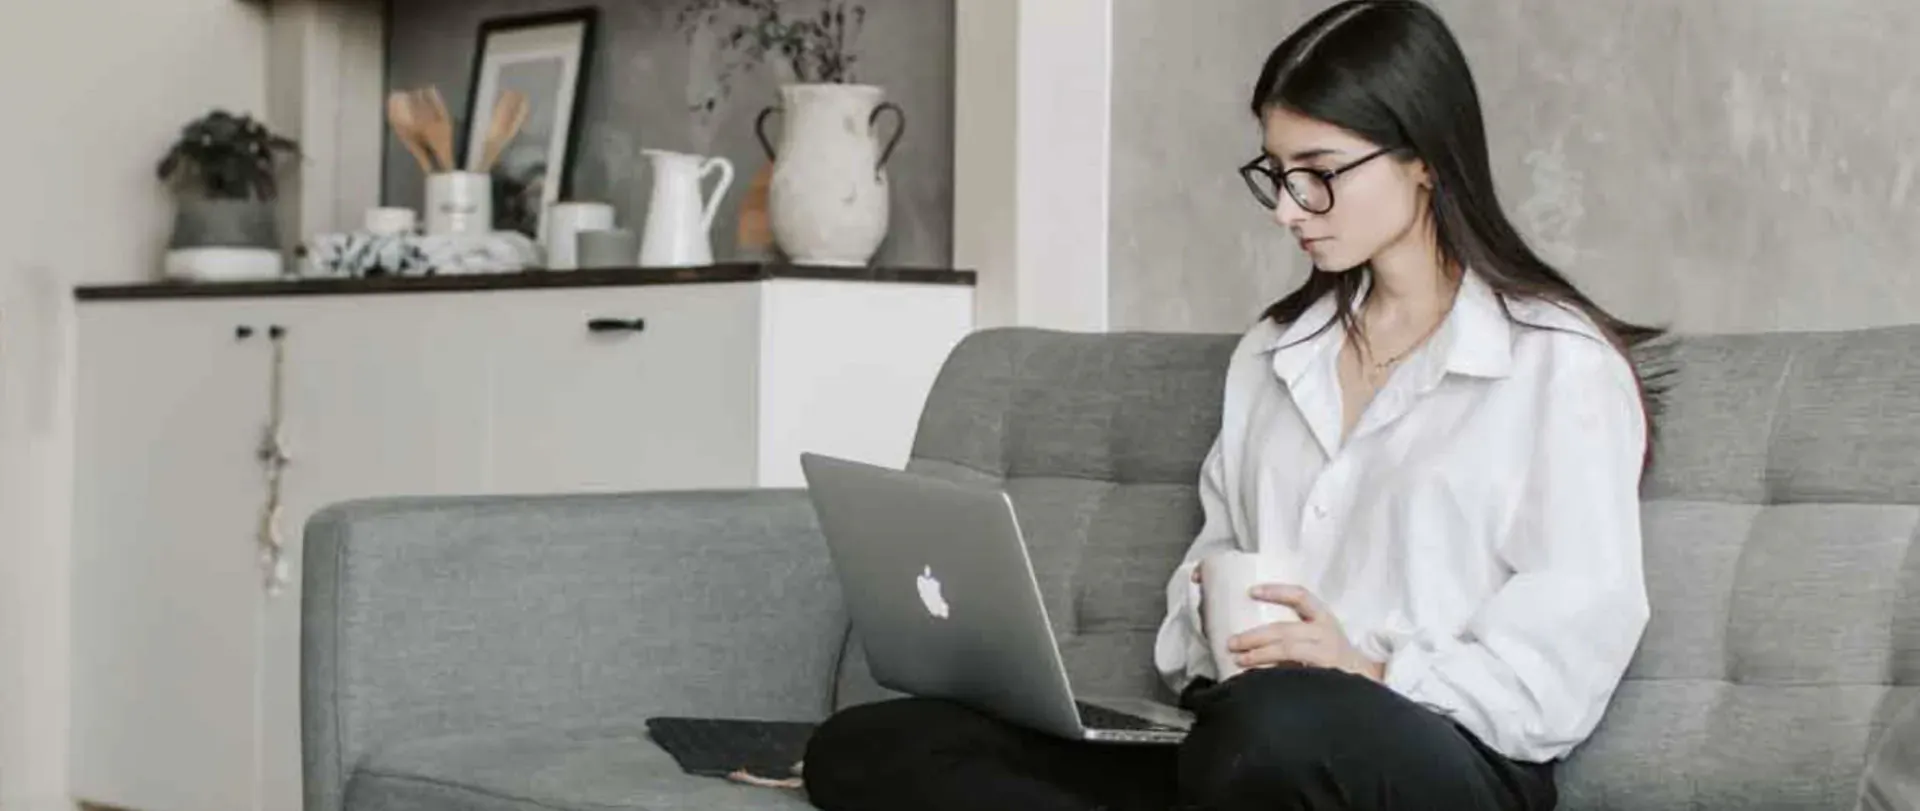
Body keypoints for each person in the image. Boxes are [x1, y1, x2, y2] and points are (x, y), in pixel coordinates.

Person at [800, 1, 1662, 809]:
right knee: (870, 744)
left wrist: (1367, 669)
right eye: (1277, 175)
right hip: (1244, 740)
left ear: (1424, 160)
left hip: (1450, 749)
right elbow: (1208, 574)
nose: (1289, 210)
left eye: (1319, 175)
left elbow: (1564, 658)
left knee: (1267, 735)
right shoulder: (1277, 352)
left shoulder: (1556, 364)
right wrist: (1208, 613)